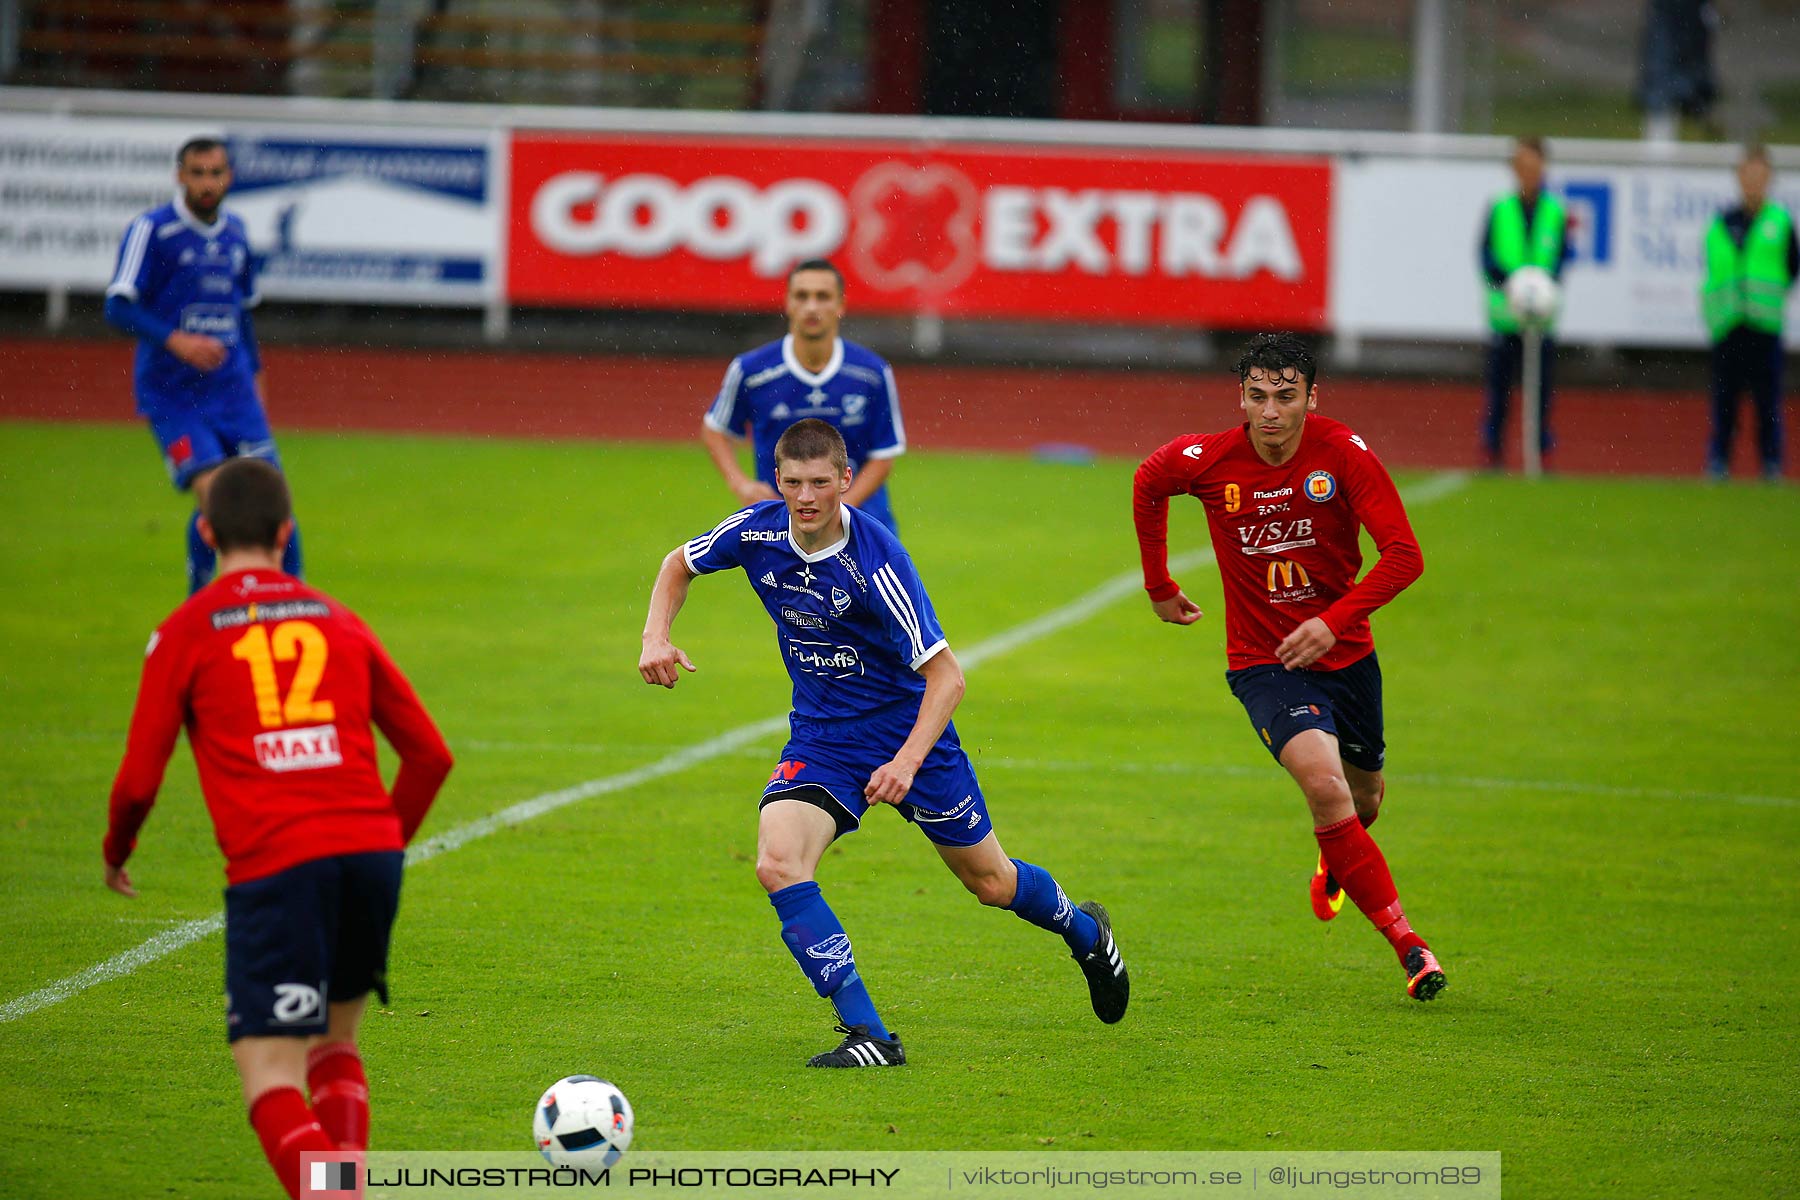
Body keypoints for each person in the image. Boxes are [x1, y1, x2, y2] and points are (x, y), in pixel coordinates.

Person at [641, 418, 1125, 1066]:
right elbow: (680, 562)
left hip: (910, 738)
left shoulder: (876, 562)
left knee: (991, 883)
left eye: (820, 482)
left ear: (846, 480)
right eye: (793, 483)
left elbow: (946, 677)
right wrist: (655, 635)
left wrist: (905, 761)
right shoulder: (755, 530)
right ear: (777, 481)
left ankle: (1087, 933)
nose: (806, 496)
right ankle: (869, 1034)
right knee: (778, 863)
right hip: (823, 738)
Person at [103, 458, 453, 1198]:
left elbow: (138, 780)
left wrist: (117, 850)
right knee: (334, 1044)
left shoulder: (186, 631)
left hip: (279, 865)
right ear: (287, 533)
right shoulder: (338, 618)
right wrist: (384, 843)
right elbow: (429, 755)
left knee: (269, 1073)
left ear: (205, 532)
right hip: (368, 855)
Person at [1131, 333, 1445, 1003]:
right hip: (1263, 664)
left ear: (1311, 397)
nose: (1270, 413)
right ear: (1240, 397)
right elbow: (1149, 481)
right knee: (1327, 790)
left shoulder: (1343, 454)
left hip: (1348, 655)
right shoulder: (1212, 459)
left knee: (1364, 802)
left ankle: (1339, 864)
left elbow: (1404, 555)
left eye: (1285, 397)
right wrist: (1158, 583)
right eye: (1257, 397)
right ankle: (1409, 945)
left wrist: (1332, 621)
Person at [105, 136, 303, 594]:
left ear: (229, 177)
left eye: (216, 173)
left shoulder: (235, 232)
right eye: (197, 173)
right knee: (216, 498)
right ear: (180, 176)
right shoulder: (153, 230)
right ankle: (201, 599)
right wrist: (174, 339)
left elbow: (243, 313)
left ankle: (297, 598)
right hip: (174, 395)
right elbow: (117, 306)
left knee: (274, 501)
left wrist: (256, 376)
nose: (207, 183)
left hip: (232, 391)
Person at [701, 259, 906, 533]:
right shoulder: (752, 371)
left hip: (862, 528)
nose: (811, 306)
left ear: (840, 305)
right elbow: (715, 429)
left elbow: (883, 455)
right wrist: (741, 484)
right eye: (802, 296)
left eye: (822, 297)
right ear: (788, 303)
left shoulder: (871, 373)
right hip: (782, 530)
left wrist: (837, 508)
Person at [1701, 143, 1796, 480]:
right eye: (1747, 174)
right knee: (1724, 399)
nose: (1753, 182)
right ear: (1738, 178)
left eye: (1760, 175)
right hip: (1728, 324)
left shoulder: (1780, 222)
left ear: (1769, 178)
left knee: (1767, 400)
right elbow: (1713, 269)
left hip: (1764, 325)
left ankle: (1771, 464)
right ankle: (1718, 461)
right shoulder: (1721, 223)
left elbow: (1790, 268)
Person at [1478, 136, 1568, 469]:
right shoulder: (1500, 208)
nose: (1528, 172)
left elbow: (1561, 257)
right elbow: (1485, 255)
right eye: (1522, 165)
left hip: (1542, 317)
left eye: (1534, 165)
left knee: (1542, 389)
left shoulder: (1554, 211)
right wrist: (1511, 283)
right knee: (1499, 389)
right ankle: (1494, 451)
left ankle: (1540, 451)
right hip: (1505, 315)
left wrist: (1542, 285)